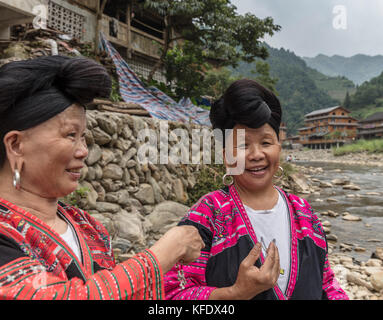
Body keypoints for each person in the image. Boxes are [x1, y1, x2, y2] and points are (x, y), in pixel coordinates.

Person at [0, 56, 204, 300]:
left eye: (83, 136)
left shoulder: (88, 227)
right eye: (70, 135)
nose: (83, 150)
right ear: (15, 144)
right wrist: (168, 251)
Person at [164, 79, 348, 300]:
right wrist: (235, 293)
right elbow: (173, 292)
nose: (256, 154)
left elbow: (326, 283)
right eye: (243, 145)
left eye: (266, 143)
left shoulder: (304, 212)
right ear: (226, 156)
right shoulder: (208, 215)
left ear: (279, 147)